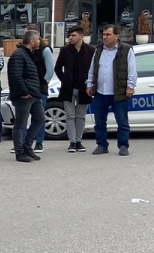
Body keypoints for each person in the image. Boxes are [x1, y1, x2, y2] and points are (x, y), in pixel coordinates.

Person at [86, 24, 137, 156]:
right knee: (99, 122)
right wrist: (89, 84)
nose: (105, 37)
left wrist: (130, 86)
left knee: (122, 121)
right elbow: (92, 69)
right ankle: (102, 145)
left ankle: (123, 145)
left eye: (108, 34)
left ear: (117, 36)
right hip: (100, 92)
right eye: (103, 34)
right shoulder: (98, 50)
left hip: (118, 92)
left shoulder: (126, 49)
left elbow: (132, 69)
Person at [54, 25, 95, 153]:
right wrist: (65, 80)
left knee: (81, 116)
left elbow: (94, 69)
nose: (70, 38)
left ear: (81, 36)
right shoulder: (65, 50)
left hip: (84, 87)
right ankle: (72, 142)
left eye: (73, 35)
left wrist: (91, 83)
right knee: (70, 115)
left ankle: (79, 141)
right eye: (69, 36)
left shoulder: (90, 50)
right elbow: (58, 68)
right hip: (68, 88)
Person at [7, 30, 45, 163]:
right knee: (20, 124)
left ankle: (27, 147)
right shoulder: (19, 55)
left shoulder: (29, 54)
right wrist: (24, 92)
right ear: (32, 41)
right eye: (38, 39)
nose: (40, 41)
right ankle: (20, 152)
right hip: (24, 95)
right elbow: (15, 76)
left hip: (34, 93)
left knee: (40, 119)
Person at [28, 24, 54, 153]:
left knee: (39, 116)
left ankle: (39, 142)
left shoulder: (45, 50)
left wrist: (43, 83)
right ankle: (23, 142)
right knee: (24, 117)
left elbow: (50, 69)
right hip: (28, 87)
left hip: (39, 88)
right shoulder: (26, 50)